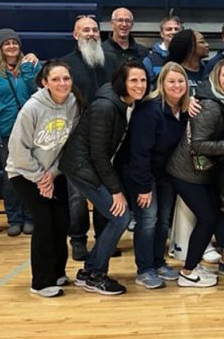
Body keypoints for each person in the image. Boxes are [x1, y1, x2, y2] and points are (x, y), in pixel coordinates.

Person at [59, 59, 149, 296]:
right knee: (120, 217)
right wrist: (115, 190)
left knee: (117, 217)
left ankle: (89, 271)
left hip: (89, 165)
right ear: (122, 81)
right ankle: (96, 274)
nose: (139, 85)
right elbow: (98, 155)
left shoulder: (125, 102)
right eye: (134, 80)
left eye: (143, 80)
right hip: (81, 166)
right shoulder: (106, 107)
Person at [167, 59, 224, 284]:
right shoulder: (211, 106)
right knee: (208, 218)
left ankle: (192, 266)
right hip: (186, 172)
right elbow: (198, 144)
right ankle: (188, 272)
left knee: (212, 216)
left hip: (200, 172)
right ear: (216, 77)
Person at [4, 61, 81, 296]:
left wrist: (53, 174)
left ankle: (57, 272)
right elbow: (17, 150)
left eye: (66, 78)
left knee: (61, 221)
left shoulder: (73, 104)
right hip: (24, 173)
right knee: (45, 223)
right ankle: (40, 281)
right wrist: (40, 178)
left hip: (53, 172)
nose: (62, 83)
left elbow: (69, 146)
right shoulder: (32, 109)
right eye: (56, 79)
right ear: (45, 82)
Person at [123, 63, 190, 289]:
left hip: (166, 174)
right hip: (144, 174)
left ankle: (158, 262)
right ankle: (144, 269)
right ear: (162, 84)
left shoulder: (183, 109)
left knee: (163, 221)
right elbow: (138, 153)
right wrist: (143, 187)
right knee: (147, 221)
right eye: (171, 81)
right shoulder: (150, 110)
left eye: (180, 81)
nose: (176, 85)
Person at [61, 15, 120, 261]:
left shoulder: (113, 62)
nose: (92, 34)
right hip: (76, 141)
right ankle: (78, 240)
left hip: (108, 140)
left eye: (95, 30)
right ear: (76, 35)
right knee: (77, 196)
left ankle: (104, 238)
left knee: (104, 192)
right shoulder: (65, 65)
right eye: (86, 30)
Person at [0, 28, 40, 237]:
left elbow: (38, 91)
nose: (11, 47)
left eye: (14, 43)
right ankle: (14, 218)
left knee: (32, 175)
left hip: (32, 129)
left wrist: (27, 71)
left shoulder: (32, 65)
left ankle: (30, 217)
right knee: (11, 178)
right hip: (6, 131)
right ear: (0, 47)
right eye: (7, 43)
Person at [167, 30, 210, 96]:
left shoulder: (209, 70)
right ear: (190, 47)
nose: (207, 45)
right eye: (202, 42)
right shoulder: (173, 72)